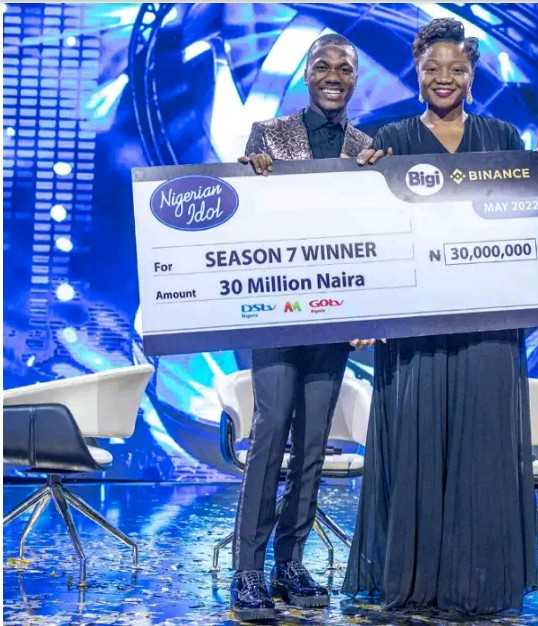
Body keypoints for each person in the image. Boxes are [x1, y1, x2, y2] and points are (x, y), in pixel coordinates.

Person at [343, 18, 538, 617]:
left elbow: (517, 227)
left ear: (472, 75)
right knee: (415, 446)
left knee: (482, 450)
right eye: (432, 68)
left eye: (457, 69)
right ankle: (414, 582)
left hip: (488, 330)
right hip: (414, 332)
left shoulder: (502, 137)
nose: (445, 78)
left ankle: (478, 584)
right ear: (417, 73)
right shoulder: (389, 141)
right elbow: (369, 231)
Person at [230, 34, 372, 621]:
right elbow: (243, 219)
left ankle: (290, 562)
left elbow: (373, 236)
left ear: (355, 78)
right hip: (277, 314)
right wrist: (249, 175)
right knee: (269, 438)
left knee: (313, 446)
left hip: (333, 319)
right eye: (323, 66)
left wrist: (370, 310)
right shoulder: (268, 135)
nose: (334, 75)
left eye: (345, 67)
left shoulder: (367, 148)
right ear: (307, 75)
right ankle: (247, 571)